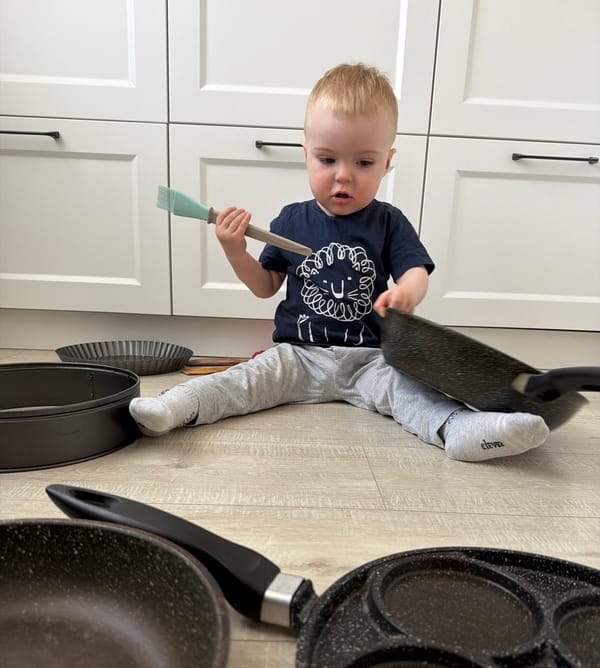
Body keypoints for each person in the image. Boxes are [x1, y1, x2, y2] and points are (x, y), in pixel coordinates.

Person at [130, 63, 548, 462]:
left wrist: (407, 292)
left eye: (363, 162)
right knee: (243, 380)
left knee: (412, 393)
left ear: (387, 162)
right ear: (306, 154)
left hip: (371, 359)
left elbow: (415, 271)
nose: (343, 175)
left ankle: (459, 430)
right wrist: (235, 250)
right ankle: (176, 406)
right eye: (327, 159)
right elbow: (264, 286)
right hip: (298, 356)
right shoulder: (291, 220)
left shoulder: (388, 222)